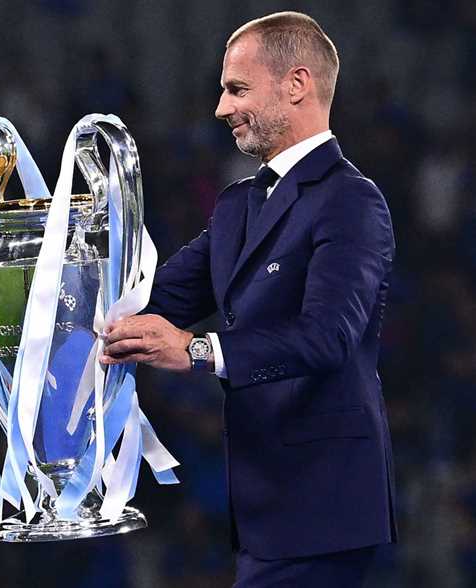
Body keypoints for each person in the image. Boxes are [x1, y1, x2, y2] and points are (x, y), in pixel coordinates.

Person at [101, 12, 396, 587]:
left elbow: (329, 336)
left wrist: (198, 350)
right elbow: (149, 301)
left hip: (325, 504)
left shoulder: (351, 200)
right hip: (264, 506)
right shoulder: (238, 203)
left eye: (237, 89)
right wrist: (47, 293)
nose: (221, 108)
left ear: (296, 85)